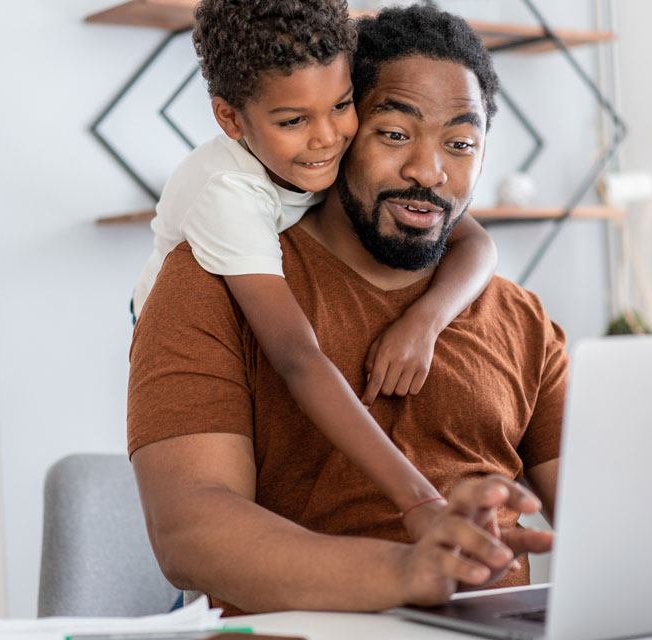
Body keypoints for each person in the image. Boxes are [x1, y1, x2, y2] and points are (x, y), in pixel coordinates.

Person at [128, 5, 566, 615]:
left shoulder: (519, 318)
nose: (427, 171)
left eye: (460, 143)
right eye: (393, 134)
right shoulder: (211, 279)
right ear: (352, 127)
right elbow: (189, 533)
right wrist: (408, 569)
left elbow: (611, 519)